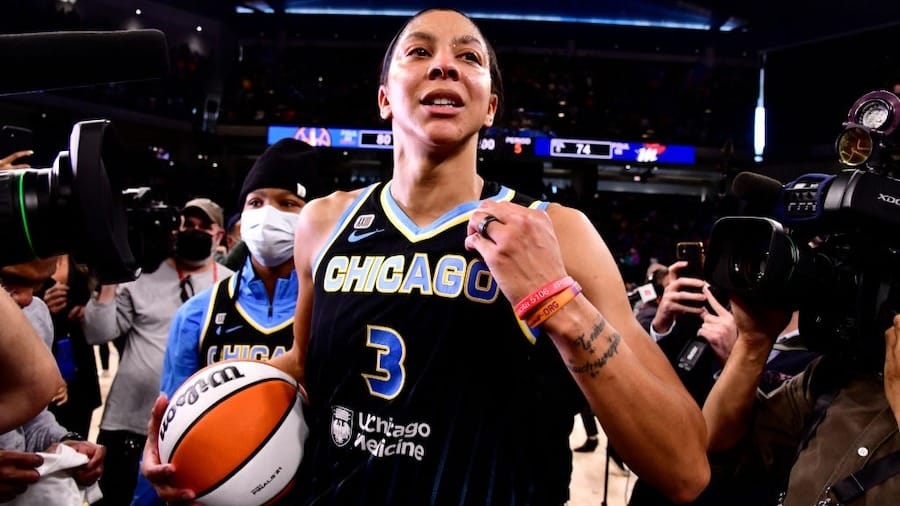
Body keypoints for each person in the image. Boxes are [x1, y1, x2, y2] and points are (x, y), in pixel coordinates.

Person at [141, 8, 709, 504]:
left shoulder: (558, 232)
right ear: (385, 97)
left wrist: (558, 301)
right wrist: (194, 434)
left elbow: (684, 468)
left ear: (490, 106)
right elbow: (304, 369)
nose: (445, 64)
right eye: (420, 51)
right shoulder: (323, 223)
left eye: (469, 56)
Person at [131, 138, 326, 506]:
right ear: (240, 219)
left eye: (288, 203)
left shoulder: (334, 309)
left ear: (313, 215)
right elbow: (170, 429)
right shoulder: (197, 314)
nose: (268, 214)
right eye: (256, 202)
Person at [82, 198, 234, 506]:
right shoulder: (142, 276)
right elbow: (97, 332)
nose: (194, 231)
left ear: (219, 237)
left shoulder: (232, 285)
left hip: (193, 428)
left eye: (204, 226)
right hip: (128, 422)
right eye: (188, 225)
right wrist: (112, 278)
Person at [0, 258, 105, 504]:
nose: (26, 298)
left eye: (36, 286)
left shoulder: (34, 313)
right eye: (7, 283)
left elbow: (30, 420)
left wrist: (63, 443)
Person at [39, 254, 102, 440]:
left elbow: (103, 294)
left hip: (78, 355)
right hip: (40, 352)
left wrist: (88, 310)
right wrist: (40, 307)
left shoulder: (82, 253)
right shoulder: (26, 252)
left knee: (77, 438)